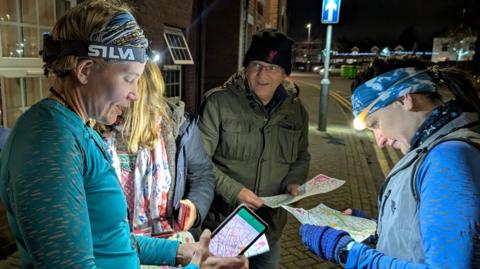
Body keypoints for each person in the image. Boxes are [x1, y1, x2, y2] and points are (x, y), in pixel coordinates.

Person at [0, 1, 247, 268]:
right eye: (129, 78)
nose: (136, 95)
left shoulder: (73, 127)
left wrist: (182, 252)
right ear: (85, 70)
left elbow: (110, 240)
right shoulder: (50, 142)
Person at [299, 63, 480, 268]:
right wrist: (373, 228)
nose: (380, 141)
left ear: (404, 99)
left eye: (375, 124)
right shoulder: (430, 151)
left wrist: (346, 251)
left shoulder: (449, 159)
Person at [199, 29, 310, 269]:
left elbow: (301, 156)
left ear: (284, 74)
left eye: (273, 68)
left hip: (270, 227)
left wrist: (294, 182)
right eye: (257, 65)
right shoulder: (218, 103)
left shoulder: (296, 111)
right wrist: (234, 191)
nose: (263, 74)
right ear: (246, 67)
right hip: (225, 222)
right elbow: (198, 161)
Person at [100, 61, 215, 243]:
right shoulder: (97, 128)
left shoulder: (178, 128)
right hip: (113, 245)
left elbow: (202, 174)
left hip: (167, 241)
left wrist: (195, 206)